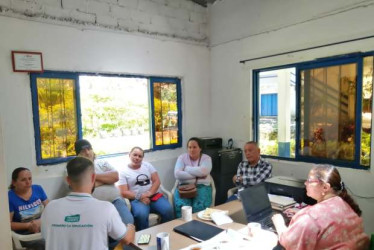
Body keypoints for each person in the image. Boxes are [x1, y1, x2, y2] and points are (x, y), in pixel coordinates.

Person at [41, 157, 135, 250]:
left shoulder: (50, 208)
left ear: (68, 180)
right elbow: (127, 239)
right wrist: (130, 226)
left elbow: (46, 237)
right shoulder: (106, 209)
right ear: (93, 177)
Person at [272, 164, 369, 250]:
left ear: (325, 187)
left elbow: (288, 243)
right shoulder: (343, 204)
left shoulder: (310, 217)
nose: (305, 183)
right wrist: (300, 215)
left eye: (309, 180)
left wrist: (279, 223)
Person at [75, 139, 134, 248]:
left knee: (128, 221)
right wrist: (105, 179)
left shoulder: (102, 163)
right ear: (78, 154)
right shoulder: (75, 168)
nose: (87, 153)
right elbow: (82, 187)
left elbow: (115, 176)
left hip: (116, 201)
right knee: (103, 231)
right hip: (94, 206)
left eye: (89, 149)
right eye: (83, 151)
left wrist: (93, 177)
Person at [118, 147, 173, 230]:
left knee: (168, 209)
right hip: (137, 199)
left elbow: (157, 181)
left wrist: (149, 193)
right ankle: (144, 238)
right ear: (129, 155)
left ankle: (165, 232)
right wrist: (140, 196)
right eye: (135, 155)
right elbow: (123, 192)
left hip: (153, 195)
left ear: (142, 158)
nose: (137, 158)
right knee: (141, 215)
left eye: (140, 156)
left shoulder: (147, 165)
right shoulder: (123, 171)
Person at [8, 167, 49, 250]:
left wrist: (40, 222)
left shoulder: (38, 189)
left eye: (30, 179)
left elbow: (50, 209)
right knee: (44, 244)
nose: (28, 182)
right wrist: (29, 225)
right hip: (24, 235)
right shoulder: (9, 197)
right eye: (23, 180)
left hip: (42, 227)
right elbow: (8, 224)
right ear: (14, 182)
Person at [174, 137, 213, 218]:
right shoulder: (182, 158)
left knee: (199, 207)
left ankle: (199, 228)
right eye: (189, 147)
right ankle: (183, 228)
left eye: (194, 147)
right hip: (184, 187)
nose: (192, 150)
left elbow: (204, 172)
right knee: (183, 209)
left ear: (200, 148)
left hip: (202, 187)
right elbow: (177, 174)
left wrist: (187, 169)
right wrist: (198, 174)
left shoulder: (206, 158)